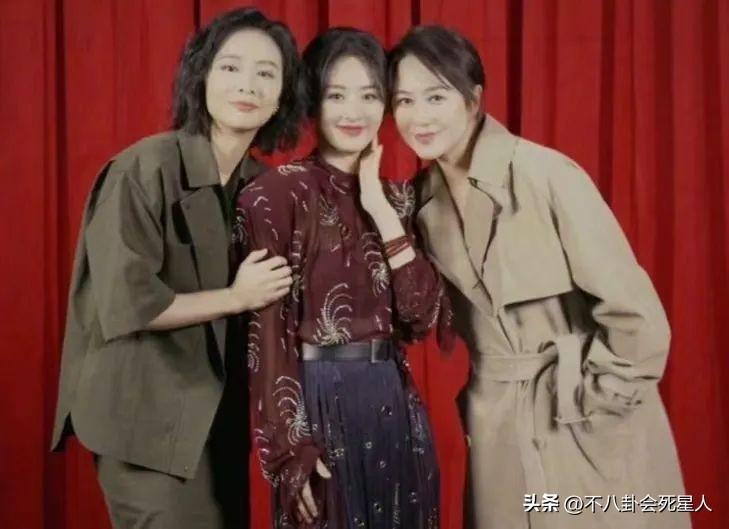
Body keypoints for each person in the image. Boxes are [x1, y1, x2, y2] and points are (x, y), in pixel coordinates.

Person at [388, 25, 690, 529]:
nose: (419, 116)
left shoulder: (546, 174)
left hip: (582, 416)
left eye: (436, 96)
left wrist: (597, 401)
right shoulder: (422, 203)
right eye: (404, 101)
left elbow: (637, 316)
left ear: (473, 99)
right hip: (499, 429)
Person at [51, 8, 303, 529]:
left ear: (283, 95)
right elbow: (129, 302)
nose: (247, 84)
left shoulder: (265, 186)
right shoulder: (143, 168)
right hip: (142, 417)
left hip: (218, 421)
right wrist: (236, 297)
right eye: (230, 67)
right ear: (201, 76)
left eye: (266, 73)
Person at [234, 27, 452, 529]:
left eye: (369, 95)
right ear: (313, 101)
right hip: (317, 404)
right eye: (336, 95)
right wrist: (290, 451)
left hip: (393, 404)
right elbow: (266, 335)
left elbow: (421, 317)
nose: (354, 112)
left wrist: (380, 208)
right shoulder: (275, 195)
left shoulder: (400, 200)